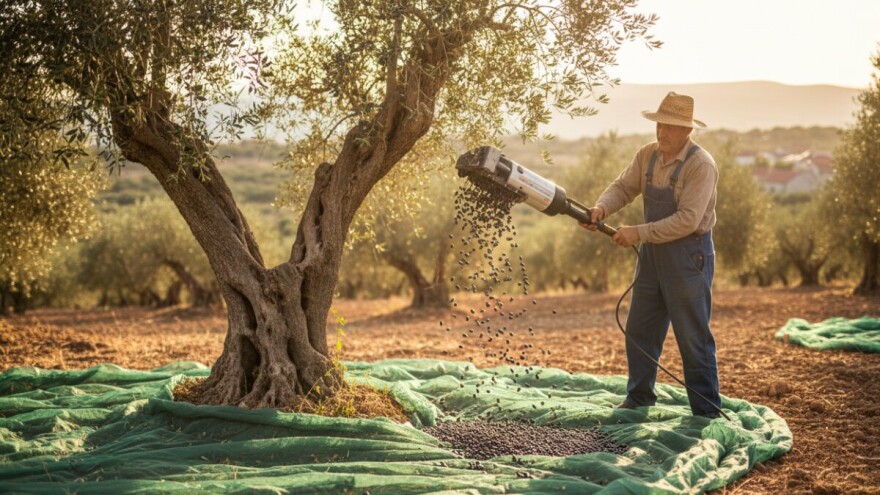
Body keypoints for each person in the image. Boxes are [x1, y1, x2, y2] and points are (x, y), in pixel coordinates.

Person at [582, 91, 721, 418]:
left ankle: (707, 412)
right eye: (660, 124)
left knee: (692, 337)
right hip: (652, 257)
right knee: (640, 328)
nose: (662, 132)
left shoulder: (701, 165)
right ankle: (639, 397)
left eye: (671, 126)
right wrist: (602, 208)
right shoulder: (647, 155)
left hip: (689, 256)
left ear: (687, 131)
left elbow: (688, 220)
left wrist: (638, 232)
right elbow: (623, 187)